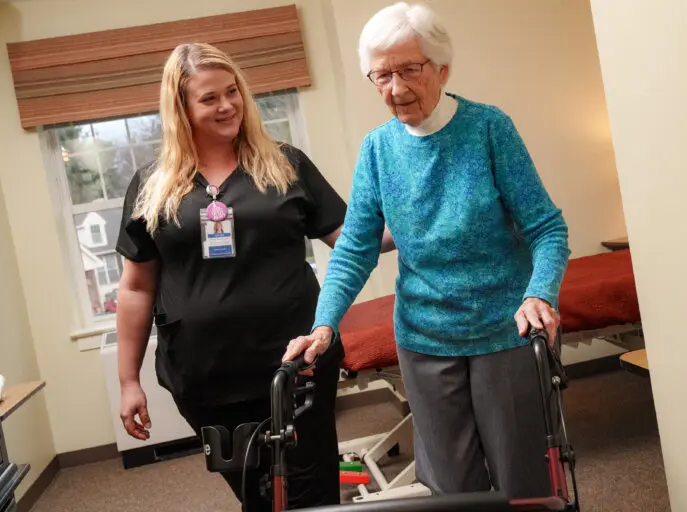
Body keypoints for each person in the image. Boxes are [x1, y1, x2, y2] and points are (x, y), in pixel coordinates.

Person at [283, 2, 570, 502]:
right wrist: (324, 324)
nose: (395, 89)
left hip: (505, 331)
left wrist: (539, 294)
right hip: (423, 339)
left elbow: (547, 227)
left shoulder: (488, 129)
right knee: (449, 489)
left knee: (523, 478)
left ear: (442, 68)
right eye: (381, 76)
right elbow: (354, 247)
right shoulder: (378, 149)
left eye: (409, 70)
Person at [115, 42, 394, 510]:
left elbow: (353, 238)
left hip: (296, 362)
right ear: (180, 108)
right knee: (255, 494)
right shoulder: (152, 186)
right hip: (205, 374)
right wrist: (128, 381)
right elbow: (136, 287)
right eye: (209, 98)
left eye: (233, 92)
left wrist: (421, 218)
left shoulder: (285, 164)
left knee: (311, 488)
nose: (227, 105)